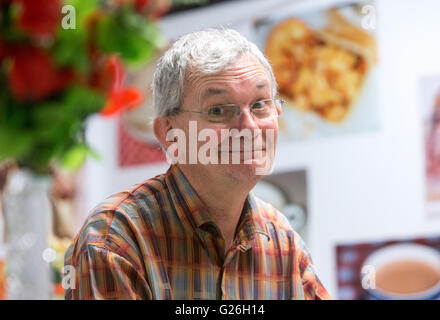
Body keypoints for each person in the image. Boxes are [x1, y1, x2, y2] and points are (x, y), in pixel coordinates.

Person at [64, 28, 331, 300]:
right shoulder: (115, 239)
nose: (249, 127)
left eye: (260, 104)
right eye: (218, 110)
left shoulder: (282, 240)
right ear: (170, 134)